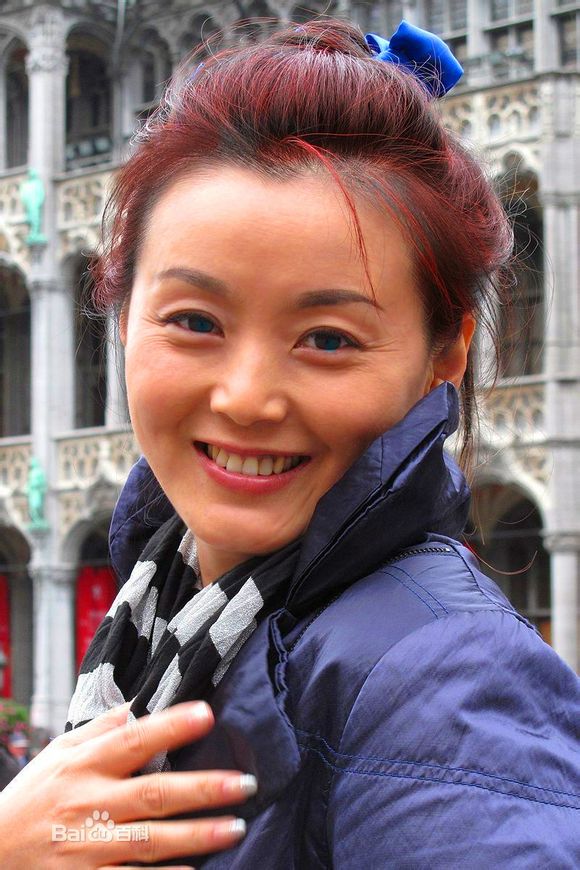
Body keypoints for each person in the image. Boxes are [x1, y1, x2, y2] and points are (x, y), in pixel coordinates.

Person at [1, 16, 579, 868]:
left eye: (327, 339)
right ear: (122, 320)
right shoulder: (162, 607)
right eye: (195, 321)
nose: (245, 399)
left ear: (445, 355)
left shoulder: (446, 677)